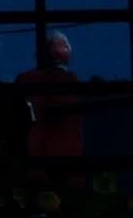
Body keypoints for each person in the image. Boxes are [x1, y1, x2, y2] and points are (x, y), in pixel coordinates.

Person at [16, 32, 84, 183]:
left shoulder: (26, 80)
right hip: (56, 160)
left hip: (45, 160)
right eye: (65, 45)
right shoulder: (67, 81)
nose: (68, 48)